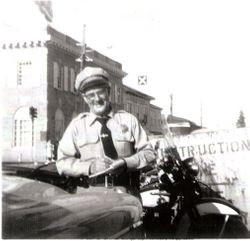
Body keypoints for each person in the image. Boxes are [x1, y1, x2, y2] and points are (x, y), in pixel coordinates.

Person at [56, 66, 156, 193]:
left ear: (108, 92)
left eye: (100, 92)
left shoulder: (128, 121)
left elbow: (149, 153)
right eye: (91, 95)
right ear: (85, 98)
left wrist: (126, 163)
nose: (97, 99)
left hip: (127, 194)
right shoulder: (77, 126)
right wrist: (90, 167)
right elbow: (62, 163)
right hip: (91, 197)